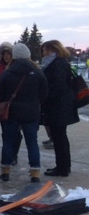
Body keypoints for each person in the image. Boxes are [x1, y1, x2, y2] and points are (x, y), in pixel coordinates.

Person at [0, 43, 48, 182]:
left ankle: (5, 171)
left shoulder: (7, 72)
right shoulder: (37, 72)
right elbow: (44, 93)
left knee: (8, 142)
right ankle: (35, 173)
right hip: (31, 112)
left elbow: (0, 93)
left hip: (11, 112)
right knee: (32, 142)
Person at [41, 40, 79, 177]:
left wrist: (44, 96)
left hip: (59, 107)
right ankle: (63, 166)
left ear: (53, 49)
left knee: (59, 137)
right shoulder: (57, 62)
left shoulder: (58, 64)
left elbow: (57, 86)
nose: (43, 53)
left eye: (45, 50)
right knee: (59, 137)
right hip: (59, 106)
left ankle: (62, 168)